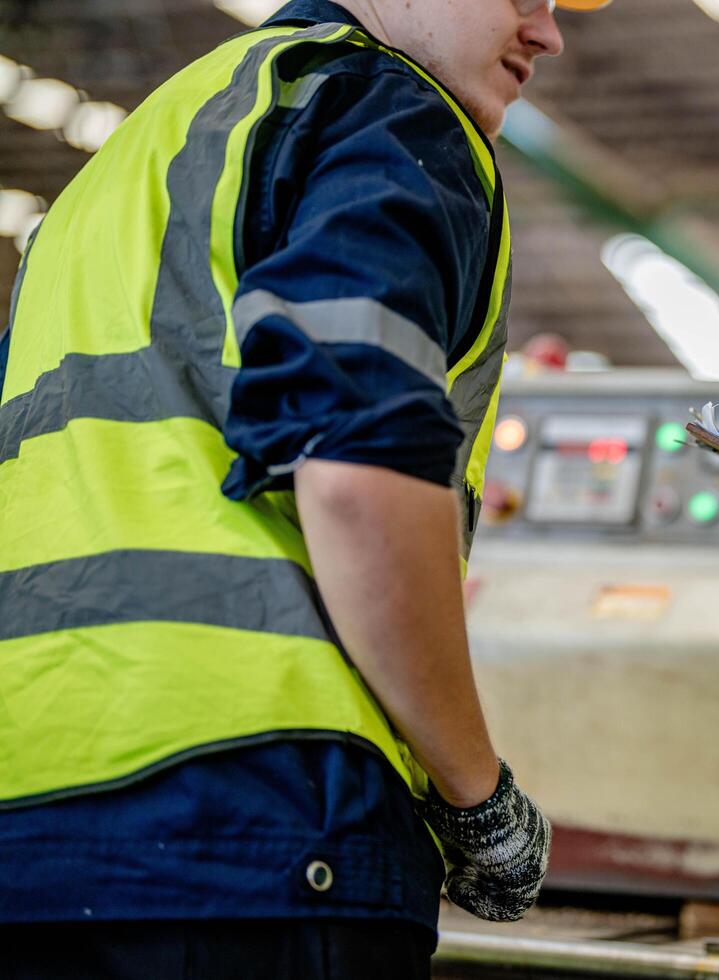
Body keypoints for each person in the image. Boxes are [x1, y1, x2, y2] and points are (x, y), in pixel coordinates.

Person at [0, 0, 610, 976]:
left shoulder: (119, 173)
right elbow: (359, 472)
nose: (548, 33)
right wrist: (476, 793)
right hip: (259, 820)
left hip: (30, 823)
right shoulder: (386, 109)